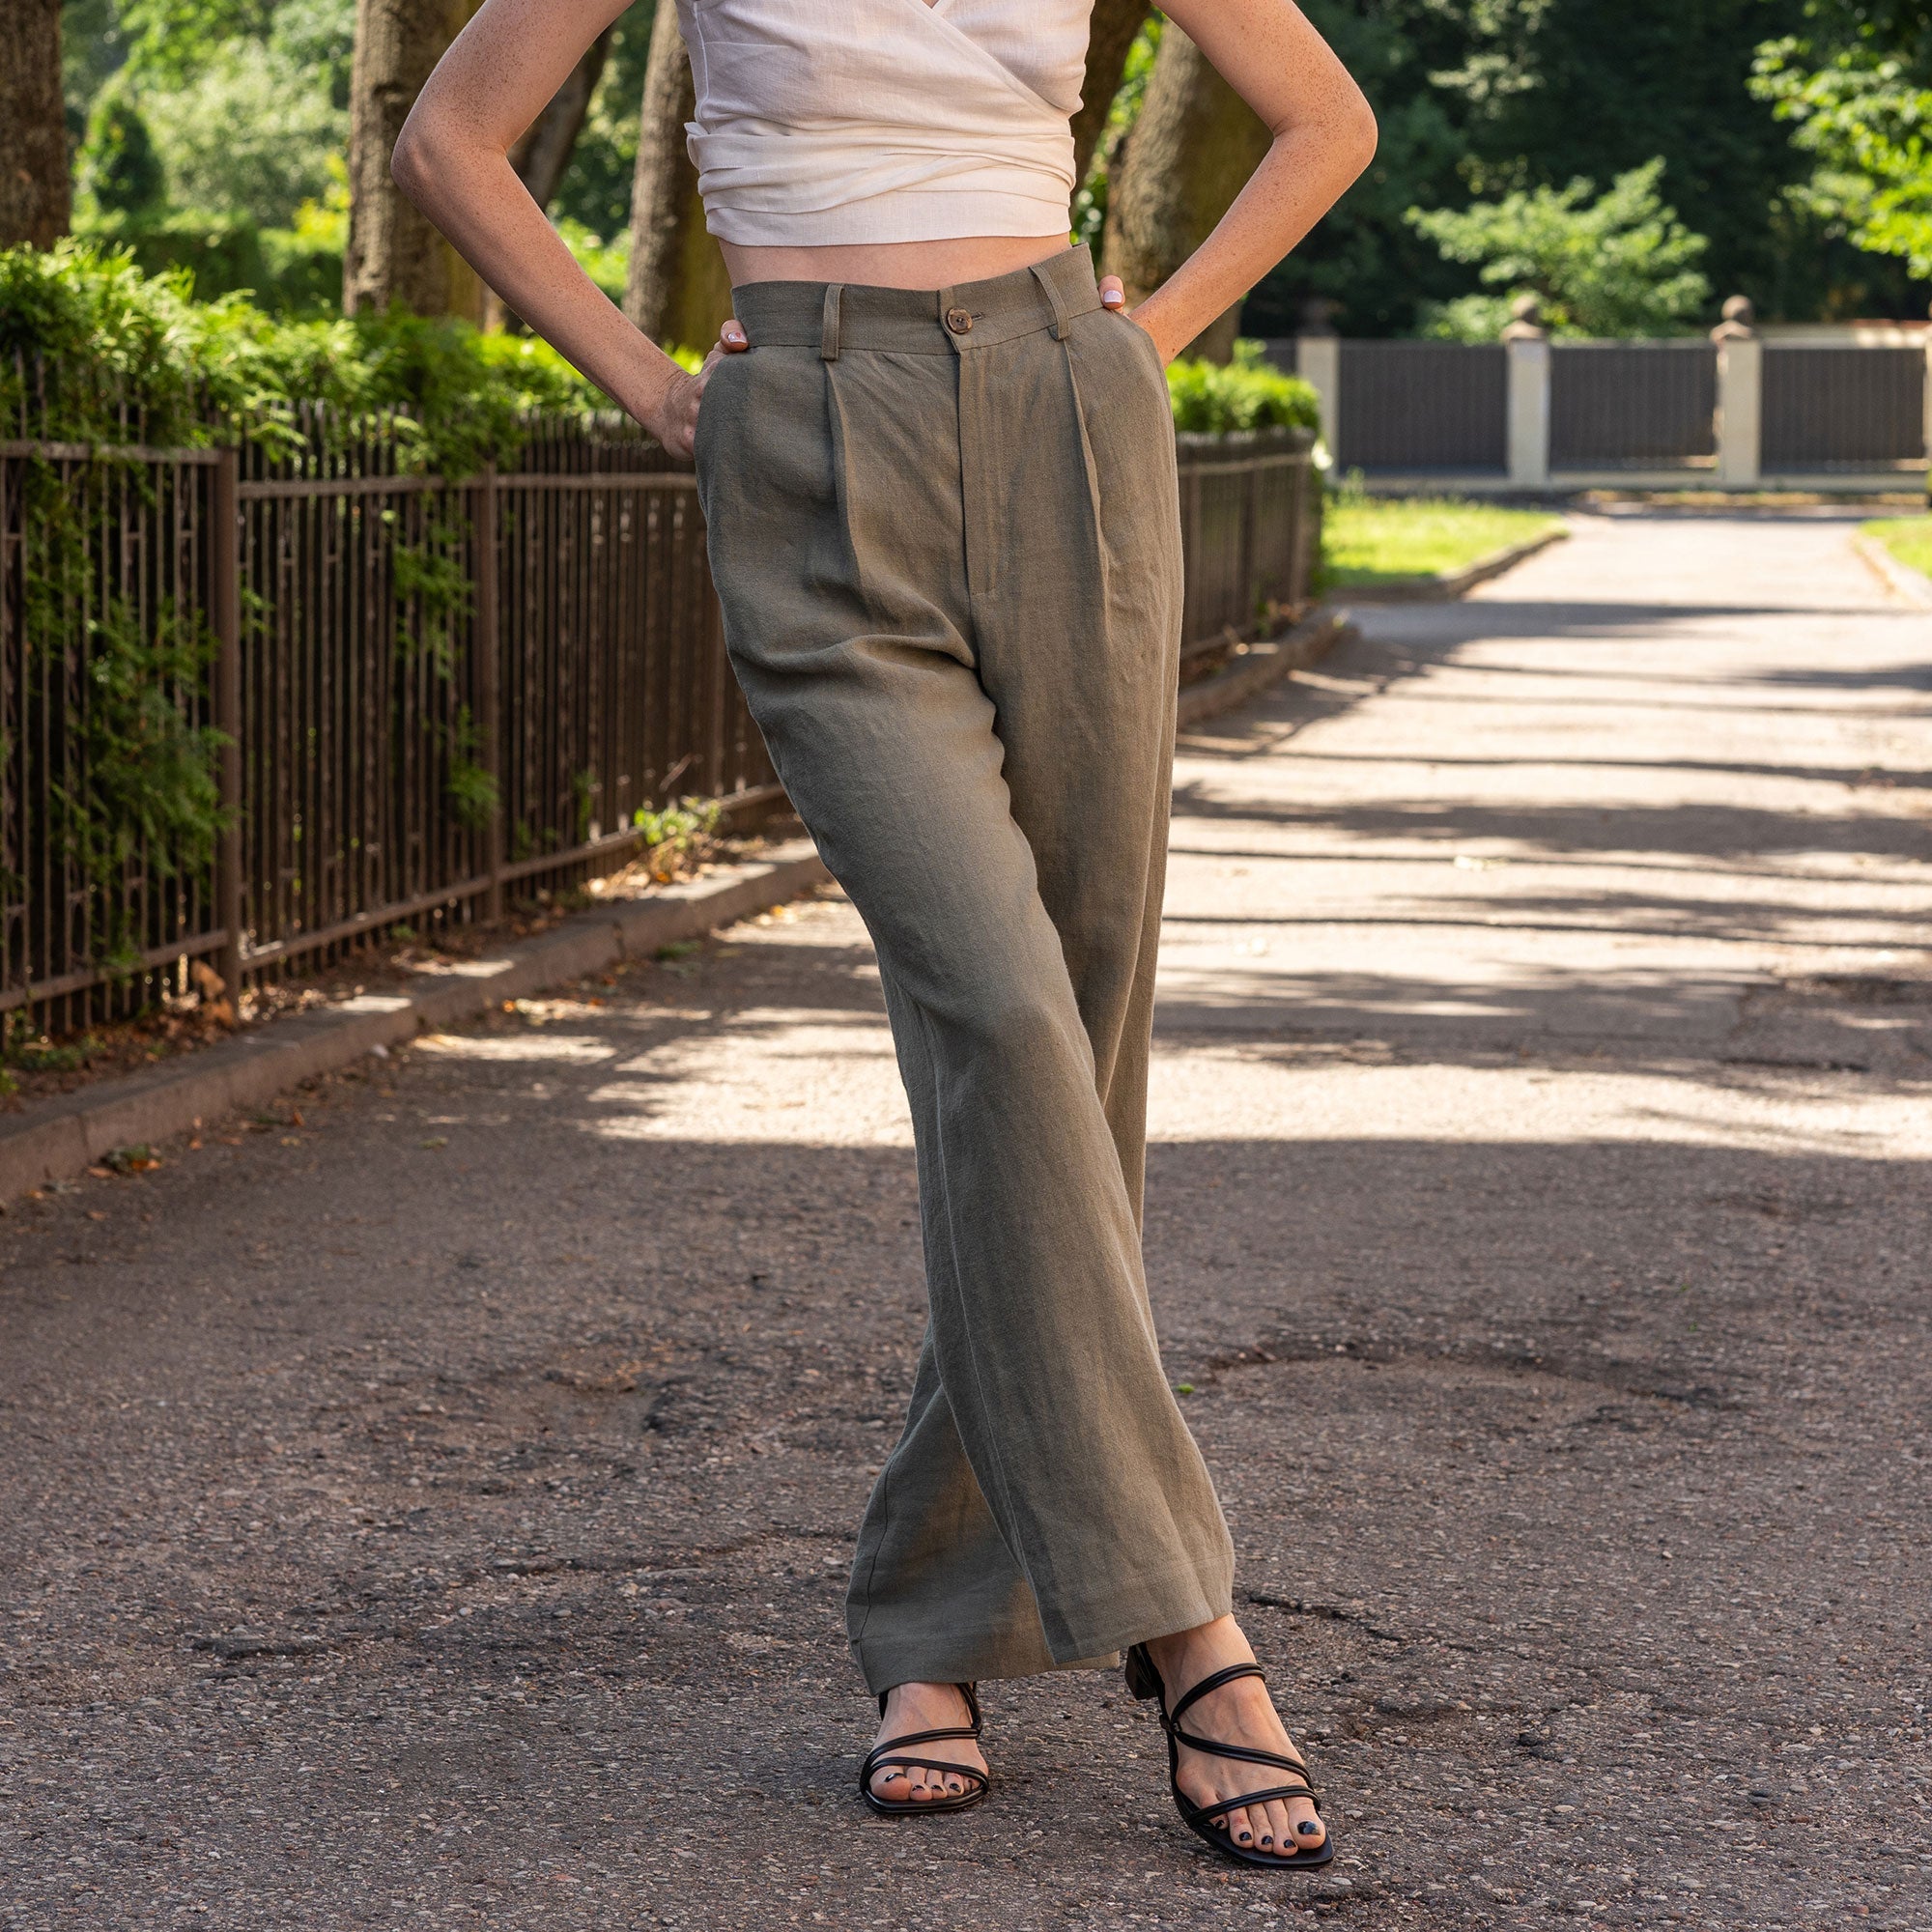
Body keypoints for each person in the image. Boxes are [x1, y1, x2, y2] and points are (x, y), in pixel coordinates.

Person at [393, 0, 1375, 1870]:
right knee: (1001, 1018)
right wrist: (655, 387)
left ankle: (935, 1632)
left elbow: (1323, 120)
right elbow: (449, 140)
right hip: (810, 431)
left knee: (1067, 1057)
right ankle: (1189, 1623)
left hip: (1064, 409)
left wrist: (1141, 340)